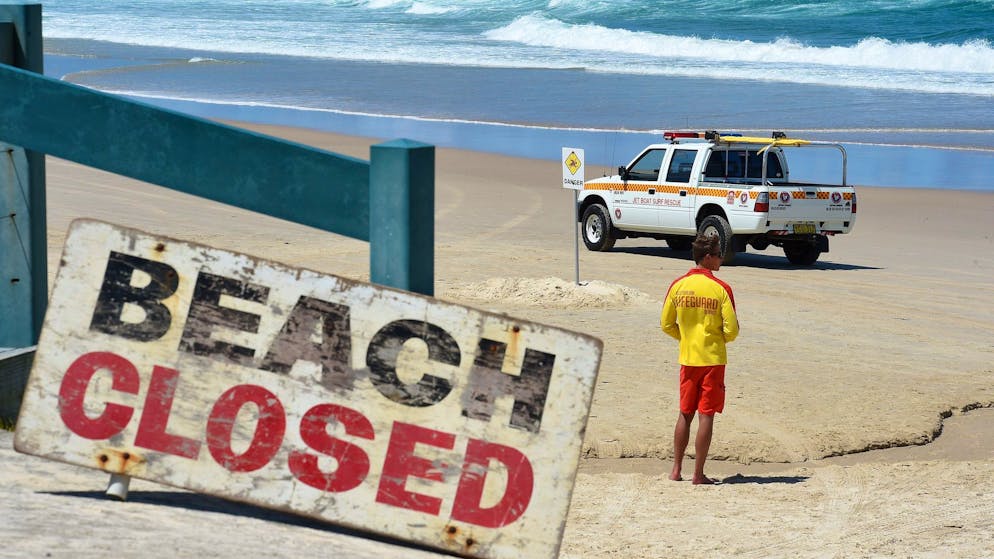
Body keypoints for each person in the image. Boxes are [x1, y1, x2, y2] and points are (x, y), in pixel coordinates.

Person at [660, 233, 739, 484]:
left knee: (685, 413)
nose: (721, 260)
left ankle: (676, 470)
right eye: (718, 255)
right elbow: (732, 330)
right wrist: (716, 340)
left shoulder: (677, 285)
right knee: (706, 414)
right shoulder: (721, 289)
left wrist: (686, 338)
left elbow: (666, 324)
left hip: (688, 358)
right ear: (707, 257)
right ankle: (698, 474)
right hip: (712, 359)